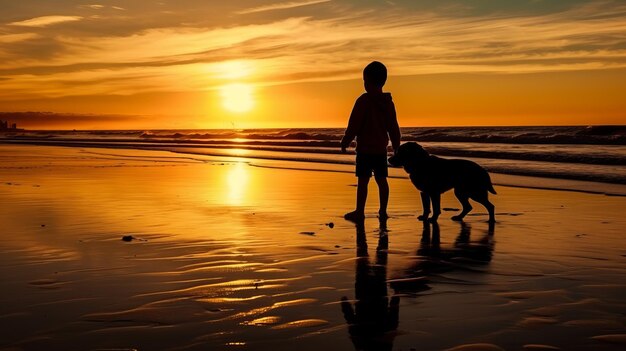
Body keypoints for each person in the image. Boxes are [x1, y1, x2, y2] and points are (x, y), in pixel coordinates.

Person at [341, 61, 401, 222]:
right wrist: (396, 146)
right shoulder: (388, 103)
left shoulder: (363, 101)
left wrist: (346, 140)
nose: (365, 84)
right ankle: (383, 211)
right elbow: (393, 127)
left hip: (365, 150)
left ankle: (360, 211)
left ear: (368, 81)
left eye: (365, 81)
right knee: (382, 181)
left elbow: (354, 124)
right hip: (380, 150)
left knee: (363, 182)